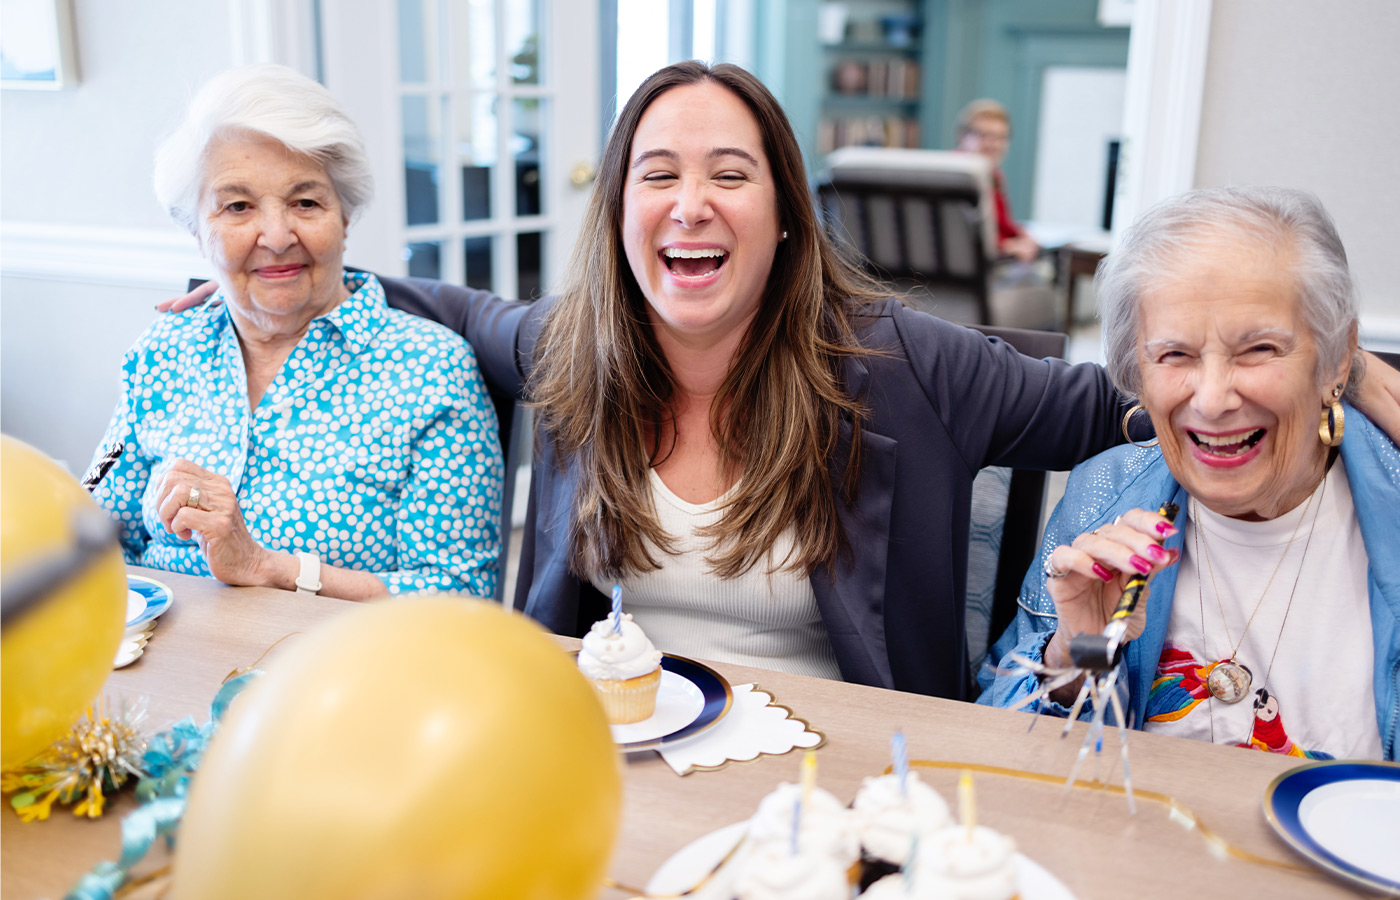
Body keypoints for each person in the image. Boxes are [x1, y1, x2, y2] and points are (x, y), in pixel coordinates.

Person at [164, 63, 1400, 701]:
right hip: (615, 748)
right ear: (621, 214)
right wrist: (289, 267)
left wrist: (1354, 372)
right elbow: (458, 307)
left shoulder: (904, 362)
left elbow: (1123, 392)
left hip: (847, 776)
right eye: (657, 173)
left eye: (728, 173)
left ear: (784, 217)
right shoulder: (570, 350)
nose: (690, 204)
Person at [979, 186, 1398, 761]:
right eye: (1174, 355)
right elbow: (1004, 744)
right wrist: (1081, 655)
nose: (1213, 398)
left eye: (1258, 349)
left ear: (1338, 359)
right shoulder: (1105, 495)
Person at [88, 65, 503, 601]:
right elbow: (94, 535)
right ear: (197, 230)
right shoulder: (162, 353)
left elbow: (460, 598)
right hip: (164, 661)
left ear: (345, 216)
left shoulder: (430, 371)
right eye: (237, 206)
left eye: (305, 202)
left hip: (336, 670)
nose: (278, 236)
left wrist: (268, 567)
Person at [955, 99, 1039, 264]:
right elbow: (960, 235)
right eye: (984, 135)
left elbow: (1001, 225)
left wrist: (1022, 236)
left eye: (1000, 137)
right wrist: (1005, 246)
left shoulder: (993, 174)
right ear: (963, 136)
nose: (993, 144)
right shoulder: (958, 176)